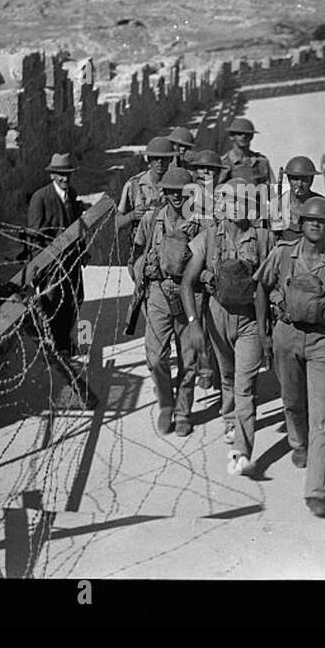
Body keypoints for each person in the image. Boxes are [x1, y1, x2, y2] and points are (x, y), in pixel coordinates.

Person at [254, 196, 325, 518]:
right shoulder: (283, 254)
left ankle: (315, 489)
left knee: (324, 413)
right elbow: (261, 286)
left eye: (323, 221)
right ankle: (297, 441)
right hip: (286, 336)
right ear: (301, 223)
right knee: (291, 400)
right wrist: (263, 333)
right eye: (311, 220)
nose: (317, 225)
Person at [181, 174, 275, 475]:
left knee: (245, 385)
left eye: (242, 203)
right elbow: (187, 282)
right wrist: (194, 323)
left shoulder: (263, 239)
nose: (236, 208)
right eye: (230, 202)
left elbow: (273, 282)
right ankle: (230, 420)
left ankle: (242, 452)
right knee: (228, 376)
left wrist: (267, 327)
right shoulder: (209, 237)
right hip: (216, 315)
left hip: (250, 319)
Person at [134, 167, 203, 436]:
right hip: (159, 291)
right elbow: (136, 253)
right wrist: (142, 271)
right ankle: (166, 403)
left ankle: (183, 410)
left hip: (190, 294)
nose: (177, 197)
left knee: (189, 357)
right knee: (155, 355)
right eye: (172, 191)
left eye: (182, 192)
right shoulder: (153, 219)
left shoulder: (202, 223)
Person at [27, 153, 88, 357]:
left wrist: (83, 250)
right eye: (61, 175)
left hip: (71, 262)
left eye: (68, 174)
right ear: (52, 175)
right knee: (53, 302)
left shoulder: (71, 195)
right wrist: (41, 266)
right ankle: (56, 345)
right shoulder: (40, 198)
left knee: (75, 299)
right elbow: (34, 236)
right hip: (51, 264)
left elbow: (77, 227)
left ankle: (65, 341)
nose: (65, 179)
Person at [184, 149, 227, 390]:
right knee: (195, 322)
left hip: (216, 269)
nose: (205, 173)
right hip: (191, 268)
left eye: (210, 169)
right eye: (200, 169)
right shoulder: (185, 199)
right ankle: (202, 365)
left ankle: (217, 373)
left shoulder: (225, 199)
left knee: (218, 325)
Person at [116, 136, 174, 233]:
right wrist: (132, 215)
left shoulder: (178, 183)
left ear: (170, 159)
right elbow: (116, 223)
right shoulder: (133, 185)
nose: (160, 162)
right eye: (156, 158)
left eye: (164, 158)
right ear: (149, 159)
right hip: (142, 242)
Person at [274, 155, 325, 245]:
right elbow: (269, 241)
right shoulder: (278, 205)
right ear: (289, 179)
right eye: (295, 179)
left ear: (311, 180)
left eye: (304, 180)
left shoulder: (321, 205)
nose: (299, 184)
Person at [217, 117, 272, 192]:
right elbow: (215, 190)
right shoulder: (224, 162)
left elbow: (271, 189)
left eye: (247, 134)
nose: (243, 136)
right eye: (239, 134)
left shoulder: (261, 162)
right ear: (232, 136)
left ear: (251, 137)